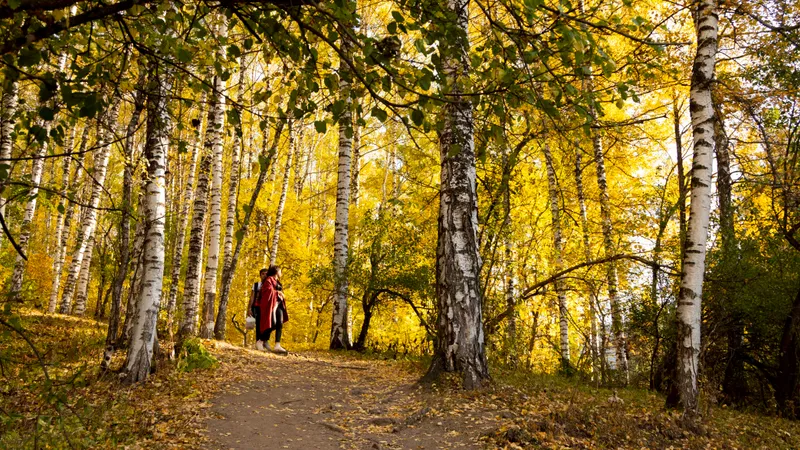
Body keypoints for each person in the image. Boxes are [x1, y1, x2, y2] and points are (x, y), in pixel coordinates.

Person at [257, 264, 289, 353]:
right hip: (271, 304)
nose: (281, 273)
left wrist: (281, 294)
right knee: (273, 323)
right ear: (276, 272)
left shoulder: (277, 281)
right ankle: (260, 340)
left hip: (279, 304)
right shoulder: (269, 280)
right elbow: (267, 291)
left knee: (280, 323)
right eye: (280, 271)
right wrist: (278, 292)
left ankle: (277, 345)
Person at [247, 268, 269, 350]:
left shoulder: (270, 285)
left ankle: (265, 341)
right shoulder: (256, 285)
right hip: (257, 307)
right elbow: (252, 297)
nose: (264, 275)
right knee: (258, 325)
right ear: (260, 275)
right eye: (263, 274)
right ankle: (258, 342)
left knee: (267, 325)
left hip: (266, 308)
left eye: (266, 274)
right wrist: (249, 308)